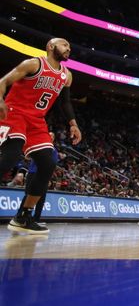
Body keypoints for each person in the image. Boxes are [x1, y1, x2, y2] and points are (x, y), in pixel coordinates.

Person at [0, 38, 82, 234]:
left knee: (48, 162)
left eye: (70, 47)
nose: (68, 48)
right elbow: (3, 81)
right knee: (9, 159)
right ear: (51, 46)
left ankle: (23, 216)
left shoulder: (67, 76)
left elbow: (65, 103)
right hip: (14, 113)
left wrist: (74, 124)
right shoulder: (33, 64)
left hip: (37, 121)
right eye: (64, 45)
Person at [25, 132, 59, 224]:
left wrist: (49, 178)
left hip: (43, 175)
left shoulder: (54, 150)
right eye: (49, 135)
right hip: (32, 173)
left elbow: (52, 165)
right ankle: (24, 217)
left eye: (52, 136)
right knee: (28, 195)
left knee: (41, 198)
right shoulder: (38, 146)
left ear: (53, 139)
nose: (50, 137)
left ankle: (36, 219)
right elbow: (27, 156)